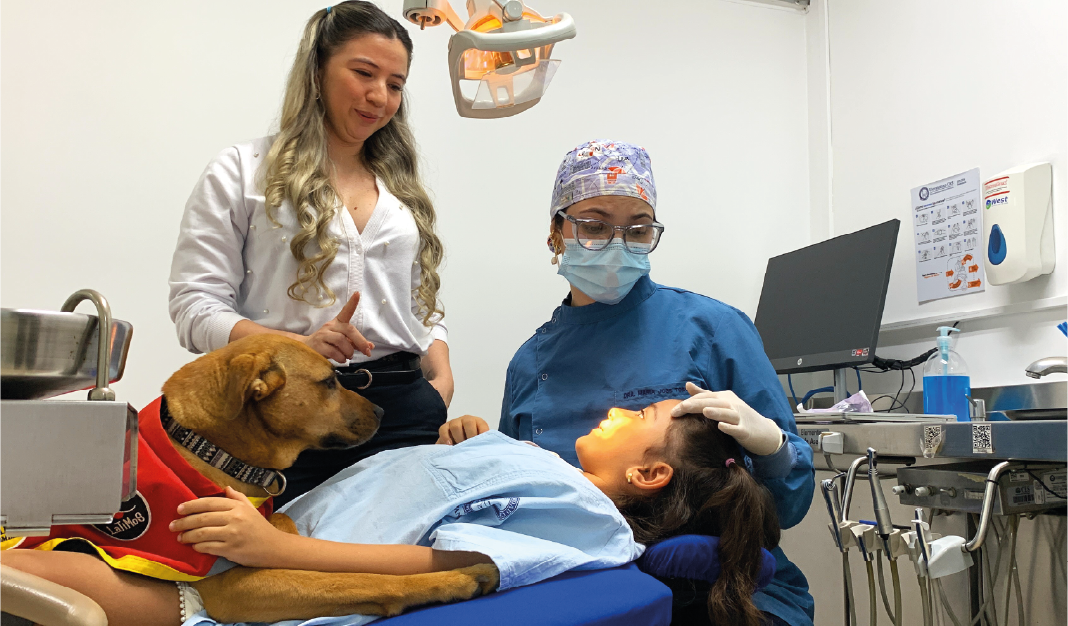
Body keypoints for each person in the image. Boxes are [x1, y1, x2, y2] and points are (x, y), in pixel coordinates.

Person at [437, 140, 817, 626]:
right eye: (594, 225)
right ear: (556, 234)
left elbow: (788, 508)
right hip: (585, 584)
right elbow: (519, 503)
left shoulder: (713, 329)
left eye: (637, 230)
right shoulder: (532, 362)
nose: (617, 245)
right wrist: (468, 449)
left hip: (730, 593)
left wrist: (774, 449)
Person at [0, 399, 780, 626]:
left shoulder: (596, 526)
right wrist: (468, 444)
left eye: (641, 412)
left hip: (240, 589)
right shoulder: (554, 478)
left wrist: (275, 557)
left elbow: (450, 571)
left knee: (26, 581)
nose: (617, 405)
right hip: (250, 543)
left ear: (648, 473)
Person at [168, 1, 451, 506]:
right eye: (363, 72)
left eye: (395, 84)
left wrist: (440, 373)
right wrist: (289, 349)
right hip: (283, 421)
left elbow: (420, 303)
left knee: (399, 563)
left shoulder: (401, 188)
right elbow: (195, 308)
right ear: (316, 70)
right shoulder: (241, 171)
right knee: (286, 567)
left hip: (403, 409)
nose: (379, 96)